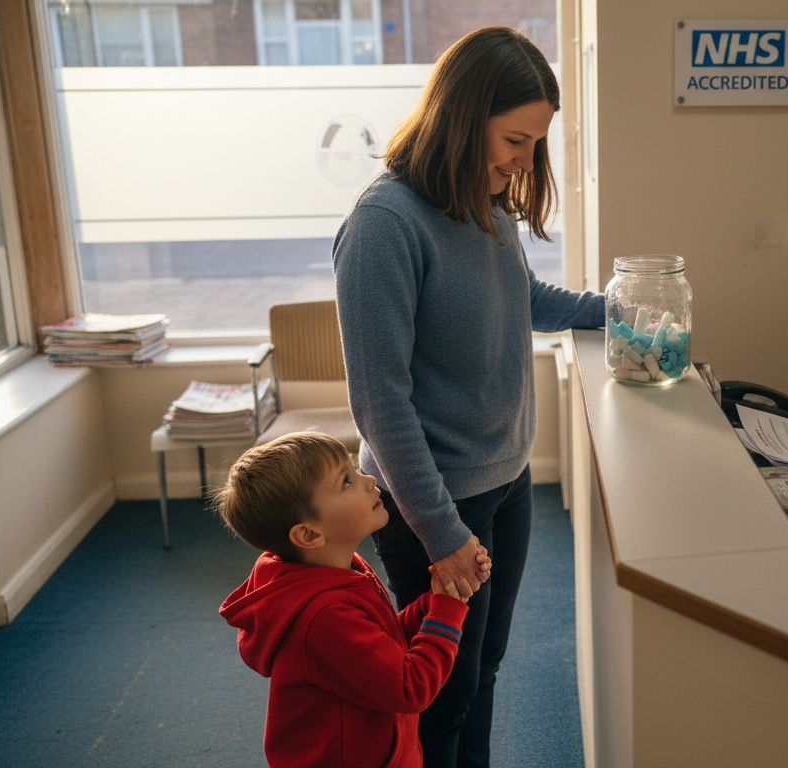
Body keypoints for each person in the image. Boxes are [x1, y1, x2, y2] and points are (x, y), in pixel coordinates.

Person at [332, 26, 604, 767]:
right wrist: (443, 533)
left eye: (535, 145)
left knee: (482, 671)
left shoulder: (484, 200)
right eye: (515, 140)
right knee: (441, 697)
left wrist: (617, 310)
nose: (525, 162)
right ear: (461, 117)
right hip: (436, 501)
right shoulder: (384, 227)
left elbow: (524, 296)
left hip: (505, 482)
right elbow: (380, 404)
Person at [217, 432, 489, 768]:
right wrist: (447, 611)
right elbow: (409, 688)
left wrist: (434, 601)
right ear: (309, 535)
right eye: (347, 481)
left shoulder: (341, 569)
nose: (369, 479)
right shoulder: (323, 616)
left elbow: (379, 642)